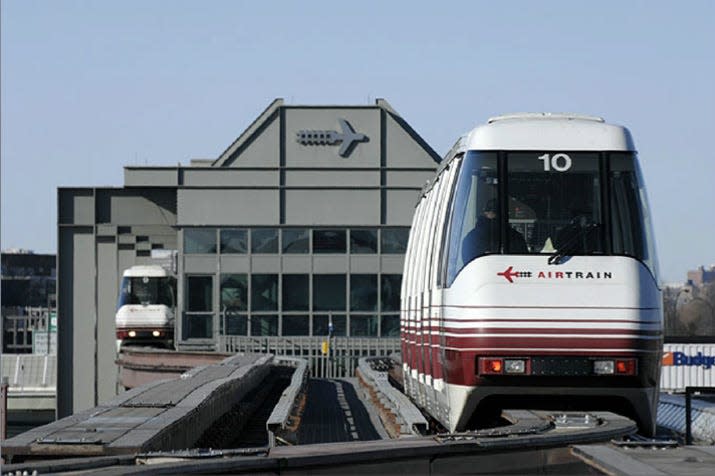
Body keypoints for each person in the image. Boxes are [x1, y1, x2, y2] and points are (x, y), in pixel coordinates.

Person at [461, 199, 527, 264]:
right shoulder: (514, 236)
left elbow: (468, 263)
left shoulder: (472, 237)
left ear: (485, 213)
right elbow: (523, 261)